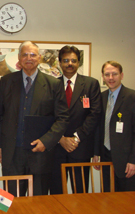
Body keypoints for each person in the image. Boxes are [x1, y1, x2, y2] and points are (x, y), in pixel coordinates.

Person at [0, 41, 69, 196]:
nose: (28, 58)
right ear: (19, 58)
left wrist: (47, 141)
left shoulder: (53, 84)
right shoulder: (7, 82)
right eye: (24, 54)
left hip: (41, 154)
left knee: (38, 202)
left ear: (40, 58)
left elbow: (62, 118)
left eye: (33, 55)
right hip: (13, 154)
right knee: (11, 200)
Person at [49, 46, 102, 194]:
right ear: (59, 63)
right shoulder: (52, 85)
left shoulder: (91, 84)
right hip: (56, 148)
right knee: (56, 192)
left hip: (81, 148)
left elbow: (95, 114)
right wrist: (60, 138)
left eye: (73, 60)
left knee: (81, 191)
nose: (69, 64)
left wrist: (76, 138)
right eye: (65, 60)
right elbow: (47, 115)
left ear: (79, 63)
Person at [93, 61, 135, 191]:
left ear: (121, 75)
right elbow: (98, 127)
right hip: (106, 156)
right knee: (107, 197)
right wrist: (96, 153)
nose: (111, 78)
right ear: (103, 77)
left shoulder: (132, 97)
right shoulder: (101, 97)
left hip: (126, 160)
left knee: (126, 202)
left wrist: (133, 160)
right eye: (107, 74)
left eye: (114, 74)